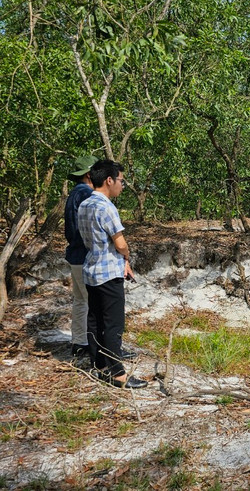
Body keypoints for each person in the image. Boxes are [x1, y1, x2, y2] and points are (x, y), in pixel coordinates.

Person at [77, 159, 147, 389]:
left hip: (91, 269)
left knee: (95, 321)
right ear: (109, 180)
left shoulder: (85, 204)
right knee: (114, 324)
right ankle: (118, 375)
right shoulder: (106, 206)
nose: (122, 186)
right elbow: (120, 242)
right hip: (108, 272)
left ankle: (100, 367)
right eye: (121, 181)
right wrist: (126, 256)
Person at [64, 156, 97, 365]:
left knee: (80, 300)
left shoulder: (74, 194)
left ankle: (79, 343)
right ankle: (99, 348)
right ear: (88, 174)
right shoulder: (87, 194)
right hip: (85, 255)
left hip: (74, 255)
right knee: (94, 303)